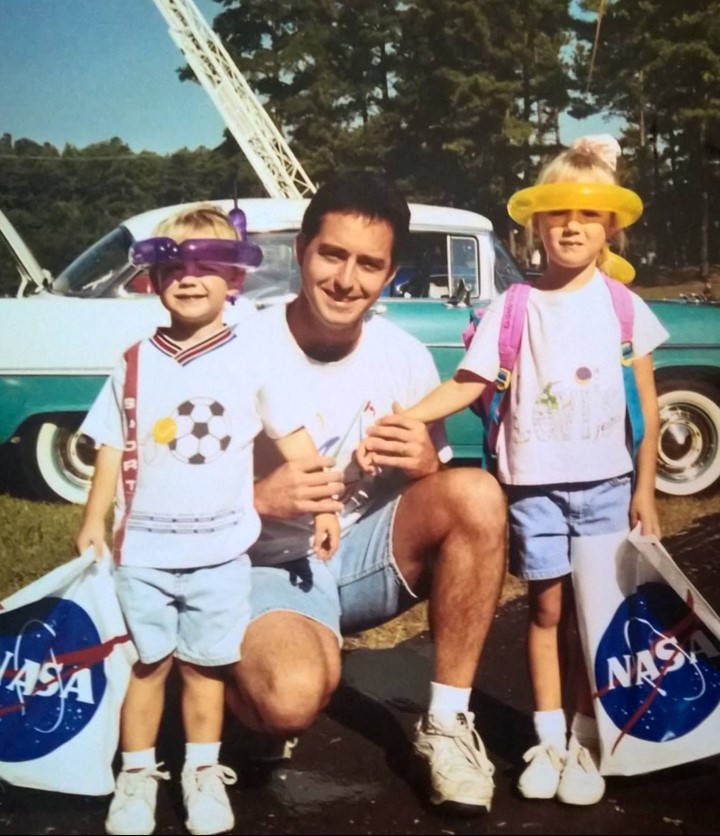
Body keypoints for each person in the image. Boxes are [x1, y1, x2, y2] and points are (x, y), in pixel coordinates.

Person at [357, 137, 669, 806]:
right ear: (537, 225)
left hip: (609, 486)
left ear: (609, 227)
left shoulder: (622, 307)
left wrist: (645, 487)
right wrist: (407, 417)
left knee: (595, 619)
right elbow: (469, 383)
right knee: (546, 610)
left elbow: (647, 404)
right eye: (558, 215)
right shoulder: (515, 306)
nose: (573, 228)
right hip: (533, 488)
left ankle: (588, 740)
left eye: (588, 217)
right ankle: (549, 738)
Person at [225, 172, 507, 814]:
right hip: (260, 564)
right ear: (301, 249)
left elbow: (438, 500)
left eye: (368, 264)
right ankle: (238, 683)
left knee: (478, 495)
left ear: (391, 273)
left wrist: (421, 467)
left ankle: (447, 724)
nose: (347, 280)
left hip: (356, 561)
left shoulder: (403, 354)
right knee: (289, 700)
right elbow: (161, 497)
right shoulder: (236, 347)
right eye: (332, 254)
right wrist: (259, 498)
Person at [75, 203, 339, 836]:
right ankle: (136, 776)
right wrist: (93, 518)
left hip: (221, 554)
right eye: (173, 266)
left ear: (235, 278)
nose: (189, 279)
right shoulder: (134, 362)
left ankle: (201, 772)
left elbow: (297, 438)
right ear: (152, 277)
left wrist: (325, 504)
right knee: (147, 666)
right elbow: (111, 444)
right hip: (142, 552)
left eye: (208, 265)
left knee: (205, 668)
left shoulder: (253, 358)